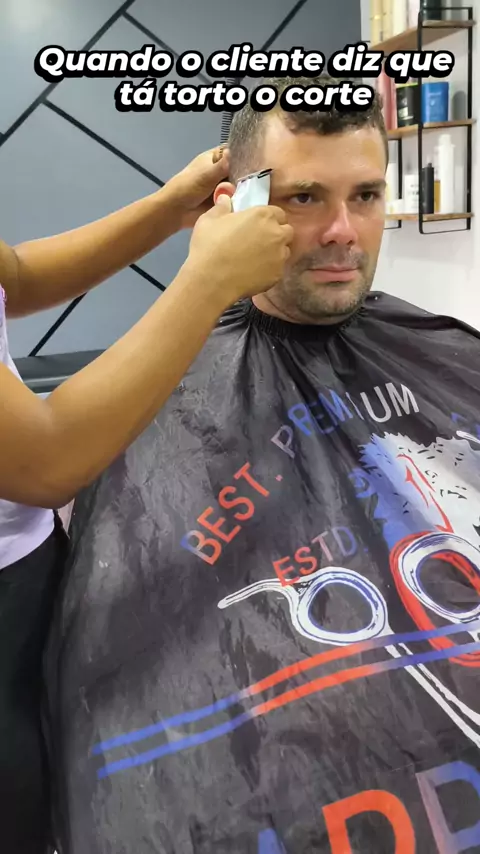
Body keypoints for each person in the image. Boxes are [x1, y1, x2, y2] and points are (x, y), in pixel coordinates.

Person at [45, 75, 480, 854]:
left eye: (366, 195)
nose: (343, 231)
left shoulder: (449, 352)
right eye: (304, 197)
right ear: (235, 205)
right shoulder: (152, 398)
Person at [0, 143, 294, 854]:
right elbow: (43, 461)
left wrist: (167, 208)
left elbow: (14, 275)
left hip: (30, 560)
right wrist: (206, 280)